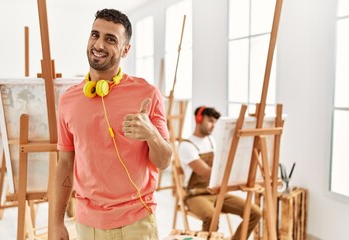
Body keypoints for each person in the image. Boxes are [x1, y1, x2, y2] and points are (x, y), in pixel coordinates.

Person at [52, 9, 172, 240]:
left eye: (110, 39)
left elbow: (164, 160)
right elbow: (65, 163)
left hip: (137, 222)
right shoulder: (68, 99)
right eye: (95, 35)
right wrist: (56, 221)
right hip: (87, 224)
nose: (98, 44)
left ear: (125, 50)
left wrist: (151, 134)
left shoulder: (147, 93)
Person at [178, 106, 261, 239]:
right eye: (210, 121)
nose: (213, 126)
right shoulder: (186, 146)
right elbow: (206, 172)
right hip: (196, 195)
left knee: (255, 212)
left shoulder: (211, 141)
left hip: (216, 191)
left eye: (215, 123)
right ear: (199, 118)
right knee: (211, 217)